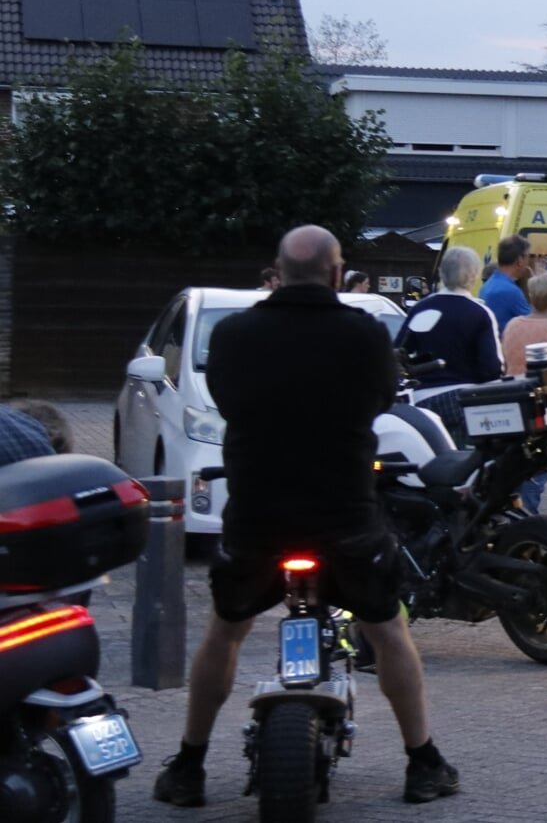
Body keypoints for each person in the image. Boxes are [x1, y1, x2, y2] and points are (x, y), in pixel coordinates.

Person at [152, 225, 457, 807]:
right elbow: (382, 399)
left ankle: (188, 765)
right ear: (338, 274)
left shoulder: (237, 335)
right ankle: (423, 762)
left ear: (278, 271)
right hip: (346, 515)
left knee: (227, 627)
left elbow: (227, 399)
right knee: (387, 628)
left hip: (257, 517)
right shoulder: (364, 336)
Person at [397, 247, 503, 443]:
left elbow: (400, 353)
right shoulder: (480, 313)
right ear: (473, 276)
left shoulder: (421, 308)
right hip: (464, 401)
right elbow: (491, 369)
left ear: (441, 273)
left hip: (422, 401)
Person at [480, 233, 534, 332]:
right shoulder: (511, 292)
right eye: (527, 257)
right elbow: (535, 324)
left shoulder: (488, 285)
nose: (528, 262)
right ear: (519, 260)